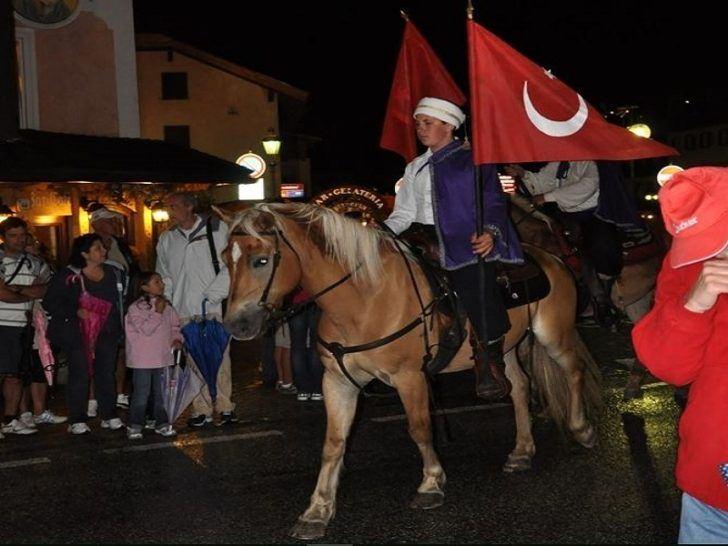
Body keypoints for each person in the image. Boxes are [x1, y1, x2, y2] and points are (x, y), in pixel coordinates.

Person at [385, 97, 523, 401]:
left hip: (463, 238)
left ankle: (490, 360)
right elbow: (404, 214)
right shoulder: (415, 166)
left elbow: (494, 201)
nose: (421, 129)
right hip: (419, 237)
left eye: (428, 123)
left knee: (476, 283)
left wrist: (489, 232)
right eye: (419, 123)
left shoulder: (474, 158)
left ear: (449, 126)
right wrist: (380, 235)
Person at [632, 167, 728, 543]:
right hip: (710, 484)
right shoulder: (687, 265)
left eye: (714, 243)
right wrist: (694, 304)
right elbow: (670, 368)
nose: (704, 259)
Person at [504, 161, 625, 323]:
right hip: (566, 215)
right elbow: (541, 182)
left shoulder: (591, 163)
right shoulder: (559, 164)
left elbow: (587, 186)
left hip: (593, 215)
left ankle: (602, 299)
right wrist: (524, 174)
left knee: (599, 245)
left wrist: (548, 197)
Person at [156, 192, 235, 427]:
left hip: (214, 309)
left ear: (190, 207)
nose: (171, 210)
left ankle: (225, 406)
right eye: (168, 206)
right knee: (193, 361)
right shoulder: (167, 238)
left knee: (221, 358)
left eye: (174, 206)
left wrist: (214, 293)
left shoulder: (217, 230)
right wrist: (167, 300)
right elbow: (164, 274)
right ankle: (201, 408)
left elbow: (231, 265)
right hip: (184, 309)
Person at [43, 234, 124, 435]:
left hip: (106, 332)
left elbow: (120, 302)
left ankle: (109, 414)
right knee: (80, 374)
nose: (103, 251)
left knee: (106, 373)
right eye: (97, 248)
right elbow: (50, 302)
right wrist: (75, 310)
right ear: (84, 253)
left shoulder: (113, 272)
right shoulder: (69, 275)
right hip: (78, 333)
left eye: (102, 248)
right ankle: (77, 418)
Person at [0, 217, 48, 436]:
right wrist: (25, 293)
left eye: (22, 235)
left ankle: (10, 419)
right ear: (4, 237)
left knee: (15, 374)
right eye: (13, 235)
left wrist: (15, 289)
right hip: (2, 323)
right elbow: (1, 294)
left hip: (23, 325)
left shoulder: (34, 261)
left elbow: (46, 288)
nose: (19, 240)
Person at [89, 205, 139, 412]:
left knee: (120, 352)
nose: (113, 224)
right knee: (93, 353)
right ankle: (92, 398)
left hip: (121, 306)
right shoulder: (86, 245)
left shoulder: (122, 246)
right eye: (109, 220)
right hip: (95, 309)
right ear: (96, 224)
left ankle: (119, 393)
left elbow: (134, 272)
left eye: (114, 220)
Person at [124, 272, 182, 440]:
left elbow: (175, 327)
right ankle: (135, 424)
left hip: (162, 358)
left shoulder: (167, 307)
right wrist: (157, 312)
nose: (162, 285)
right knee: (141, 394)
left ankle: (162, 423)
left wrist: (177, 339)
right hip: (142, 360)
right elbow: (146, 329)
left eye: (161, 281)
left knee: (162, 394)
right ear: (144, 287)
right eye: (157, 282)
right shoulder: (136, 308)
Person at [17, 234, 66, 429]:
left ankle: (39, 410)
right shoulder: (12, 265)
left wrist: (28, 289)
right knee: (20, 370)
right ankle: (23, 412)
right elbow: (12, 289)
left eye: (33, 242)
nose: (34, 246)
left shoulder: (44, 266)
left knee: (41, 365)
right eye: (29, 243)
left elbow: (48, 289)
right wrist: (31, 288)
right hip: (21, 321)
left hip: (44, 321)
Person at [289, 289, 323, 402]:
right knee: (315, 346)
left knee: (297, 347)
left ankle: (303, 389)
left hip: (296, 303)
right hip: (316, 300)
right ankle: (317, 389)